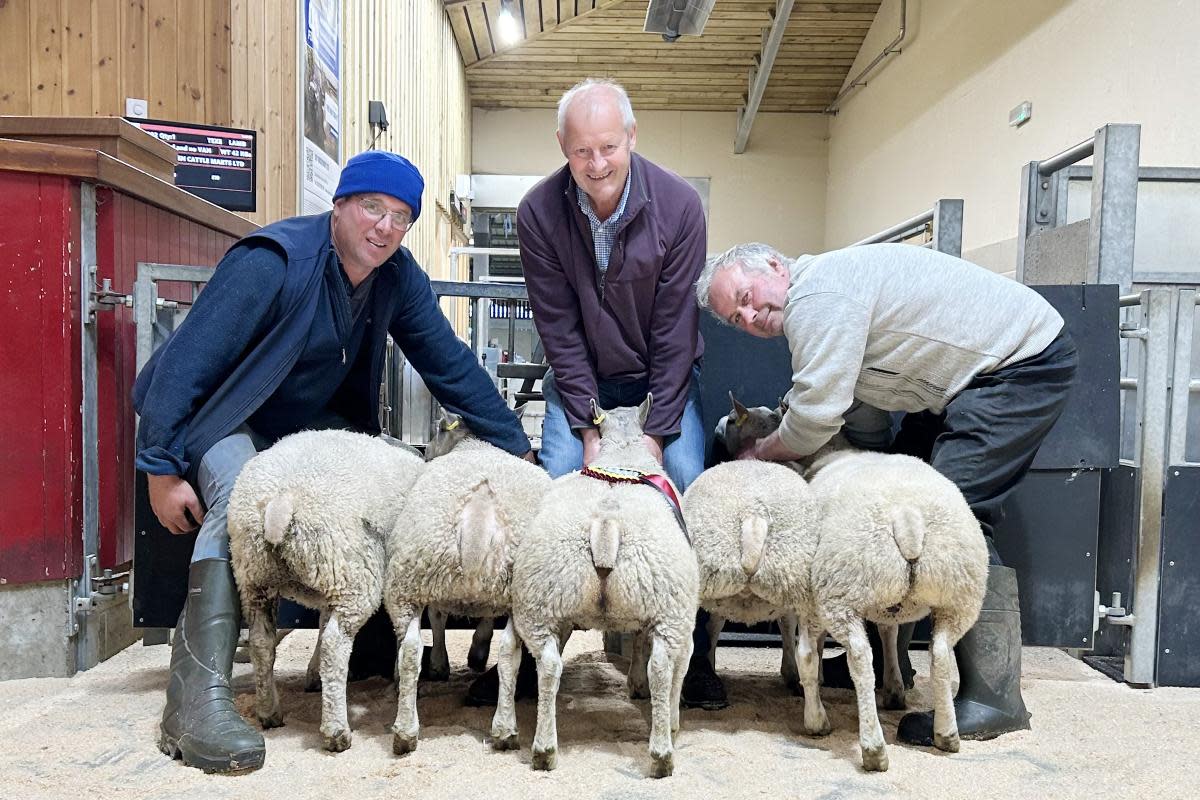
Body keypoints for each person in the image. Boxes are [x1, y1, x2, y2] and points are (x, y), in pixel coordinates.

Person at [133, 150, 533, 774]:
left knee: (391, 469)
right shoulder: (273, 261)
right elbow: (184, 365)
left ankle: (370, 643)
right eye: (373, 208)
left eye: (400, 217)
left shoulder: (396, 277)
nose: (383, 227)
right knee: (240, 491)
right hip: (218, 416)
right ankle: (195, 701)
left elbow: (448, 364)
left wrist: (517, 447)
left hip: (299, 427)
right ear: (340, 205)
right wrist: (160, 466)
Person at [695, 241, 1078, 743]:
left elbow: (816, 414)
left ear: (772, 266)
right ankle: (884, 663)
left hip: (1017, 366)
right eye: (736, 316)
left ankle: (993, 696)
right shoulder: (822, 300)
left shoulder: (817, 296)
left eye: (746, 295)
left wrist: (760, 453)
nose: (750, 315)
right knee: (899, 503)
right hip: (959, 385)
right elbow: (864, 416)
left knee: (952, 512)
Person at [460, 78, 721, 708]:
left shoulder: (680, 206)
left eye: (608, 147)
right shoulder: (538, 212)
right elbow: (558, 325)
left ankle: (693, 654)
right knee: (549, 497)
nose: (596, 163)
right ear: (562, 147)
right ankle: (526, 653)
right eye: (582, 152)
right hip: (583, 377)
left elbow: (674, 328)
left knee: (686, 488)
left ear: (631, 137)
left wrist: (656, 438)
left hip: (661, 376)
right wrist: (586, 428)